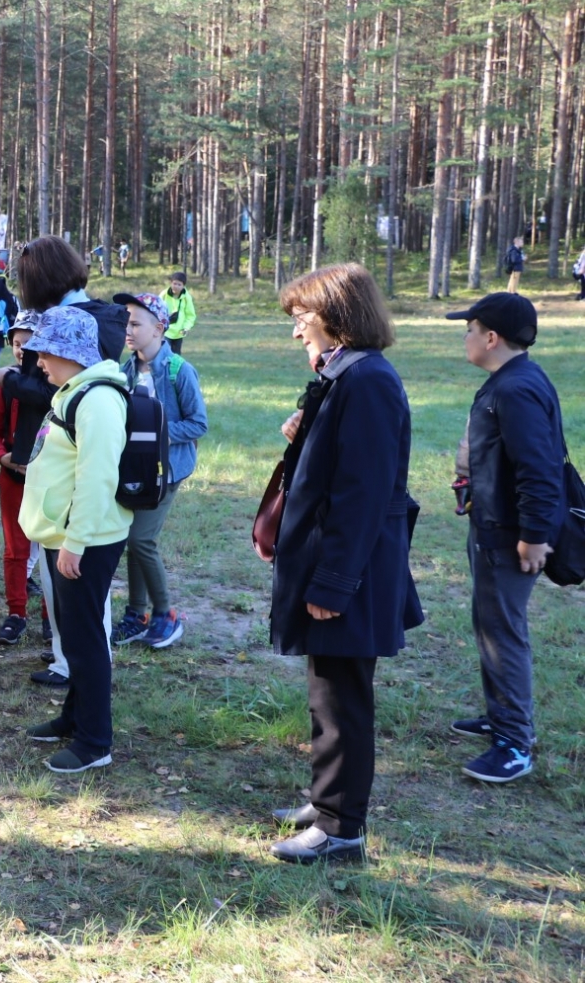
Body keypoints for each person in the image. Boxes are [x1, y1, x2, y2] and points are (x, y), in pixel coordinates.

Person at [266, 262, 421, 864]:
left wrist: (334, 581)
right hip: (336, 564)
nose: (297, 331)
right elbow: (335, 465)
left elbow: (363, 492)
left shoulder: (369, 382)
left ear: (335, 316)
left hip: (349, 572)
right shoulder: (343, 376)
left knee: (343, 699)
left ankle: (340, 829)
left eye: (302, 318)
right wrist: (304, 433)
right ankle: (327, 798)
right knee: (326, 691)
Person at [443, 292, 564, 784]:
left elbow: (539, 470)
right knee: (491, 626)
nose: (465, 337)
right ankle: (502, 719)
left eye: (469, 329)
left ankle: (514, 743)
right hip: (494, 528)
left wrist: (533, 536)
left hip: (510, 536)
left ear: (491, 337)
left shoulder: (515, 389)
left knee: (502, 634)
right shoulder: (512, 379)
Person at [17, 307, 132, 774]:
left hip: (85, 539)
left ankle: (93, 741)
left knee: (85, 640)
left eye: (44, 350)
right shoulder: (76, 391)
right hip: (66, 535)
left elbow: (98, 479)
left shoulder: (99, 400)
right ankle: (74, 716)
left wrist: (77, 542)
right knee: (73, 636)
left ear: (69, 351)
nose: (37, 359)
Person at [108, 292, 208, 650]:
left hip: (169, 472)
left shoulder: (179, 370)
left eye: (135, 323)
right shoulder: (125, 371)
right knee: (133, 541)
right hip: (136, 471)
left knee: (140, 540)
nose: (128, 331)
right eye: (126, 324)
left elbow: (198, 424)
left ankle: (166, 614)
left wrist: (156, 435)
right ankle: (137, 616)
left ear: (160, 328)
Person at [0, 313, 52, 647]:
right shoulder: (8, 383)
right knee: (16, 550)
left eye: (30, 343)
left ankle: (52, 615)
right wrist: (4, 457)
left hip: (50, 482)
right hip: (13, 480)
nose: (22, 349)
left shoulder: (56, 384)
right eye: (17, 343)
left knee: (52, 551)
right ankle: (16, 613)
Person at [164, 271, 196, 355]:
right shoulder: (164, 294)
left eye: (179, 285)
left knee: (176, 357)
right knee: (165, 354)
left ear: (183, 286)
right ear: (171, 283)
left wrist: (186, 328)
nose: (176, 287)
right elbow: (157, 309)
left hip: (179, 333)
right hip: (166, 332)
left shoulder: (187, 298)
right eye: (174, 284)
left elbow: (190, 315)